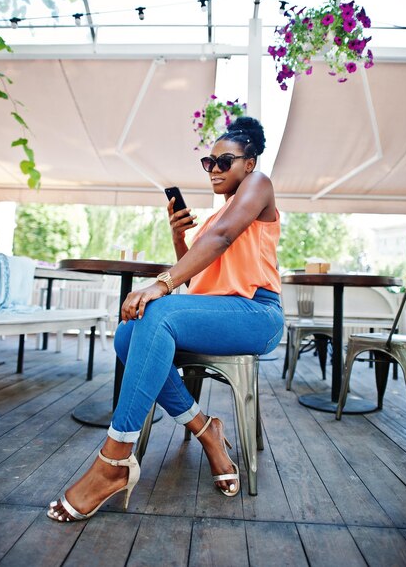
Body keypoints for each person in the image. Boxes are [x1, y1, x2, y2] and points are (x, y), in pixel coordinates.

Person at [48, 116, 284, 522]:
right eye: (208, 162)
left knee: (155, 310)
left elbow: (222, 240)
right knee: (126, 336)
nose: (213, 169)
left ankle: (114, 460)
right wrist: (179, 239)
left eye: (224, 161)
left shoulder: (257, 185)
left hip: (257, 313)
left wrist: (160, 285)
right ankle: (206, 428)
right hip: (218, 312)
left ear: (249, 162)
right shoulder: (217, 216)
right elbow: (197, 275)